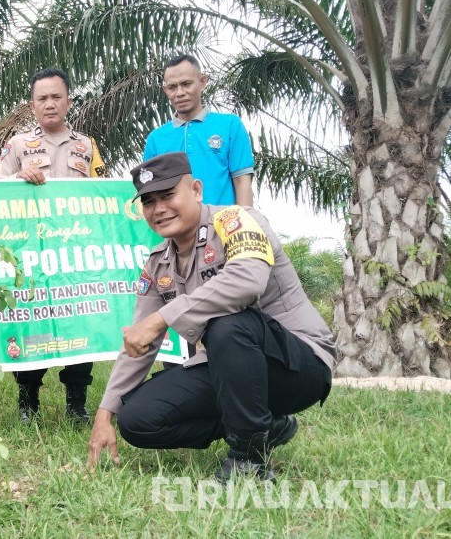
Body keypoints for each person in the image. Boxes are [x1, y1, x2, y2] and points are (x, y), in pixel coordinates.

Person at [86, 152, 334, 481]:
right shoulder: (158, 264)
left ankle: (249, 459)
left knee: (228, 322)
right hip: (230, 367)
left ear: (197, 190)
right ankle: (264, 427)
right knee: (138, 419)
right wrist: (105, 415)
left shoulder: (237, 221)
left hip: (298, 365)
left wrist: (160, 319)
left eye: (168, 195)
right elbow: (139, 343)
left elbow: (246, 282)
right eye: (148, 201)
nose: (159, 209)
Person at [0, 67, 108, 425]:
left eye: (56, 96)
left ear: (68, 100)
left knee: (78, 325)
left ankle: (77, 403)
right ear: (32, 104)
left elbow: (103, 197)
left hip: (74, 256)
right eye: (42, 98)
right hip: (31, 254)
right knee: (34, 324)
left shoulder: (86, 146)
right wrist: (17, 178)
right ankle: (28, 401)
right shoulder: (16, 146)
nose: (50, 104)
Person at [143, 54, 255, 206]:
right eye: (172, 87)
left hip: (222, 226)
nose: (180, 93)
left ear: (202, 82)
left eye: (186, 84)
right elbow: (151, 194)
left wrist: (245, 228)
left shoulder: (229, 125)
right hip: (176, 228)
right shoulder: (156, 139)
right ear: (165, 90)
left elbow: (242, 182)